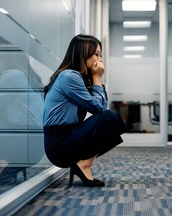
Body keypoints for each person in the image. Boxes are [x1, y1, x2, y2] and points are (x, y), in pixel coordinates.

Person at [43, 34, 126, 187]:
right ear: (83, 53)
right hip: (59, 143)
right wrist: (97, 78)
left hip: (67, 136)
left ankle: (82, 164)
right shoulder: (69, 76)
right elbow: (99, 109)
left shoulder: (78, 78)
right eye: (96, 54)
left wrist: (95, 79)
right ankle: (83, 165)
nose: (99, 60)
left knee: (112, 120)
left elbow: (101, 107)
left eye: (100, 55)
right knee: (109, 118)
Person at [0, 36, 44, 184]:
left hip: (25, 143)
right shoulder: (28, 75)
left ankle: (1, 163)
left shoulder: (12, 75)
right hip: (35, 143)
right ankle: (4, 165)